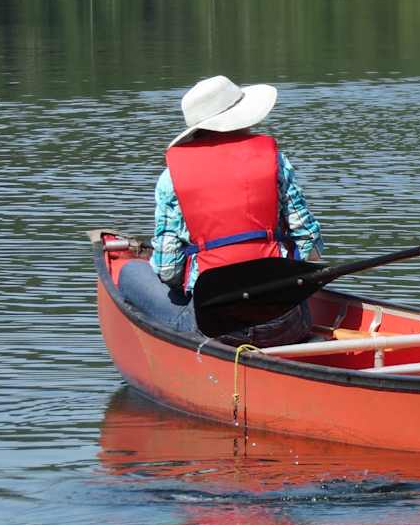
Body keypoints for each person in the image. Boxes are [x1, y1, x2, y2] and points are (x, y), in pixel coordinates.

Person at [118, 75, 324, 340]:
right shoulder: (276, 162)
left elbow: (168, 270)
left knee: (129, 273)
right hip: (287, 324)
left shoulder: (171, 179)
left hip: (216, 329)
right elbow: (310, 248)